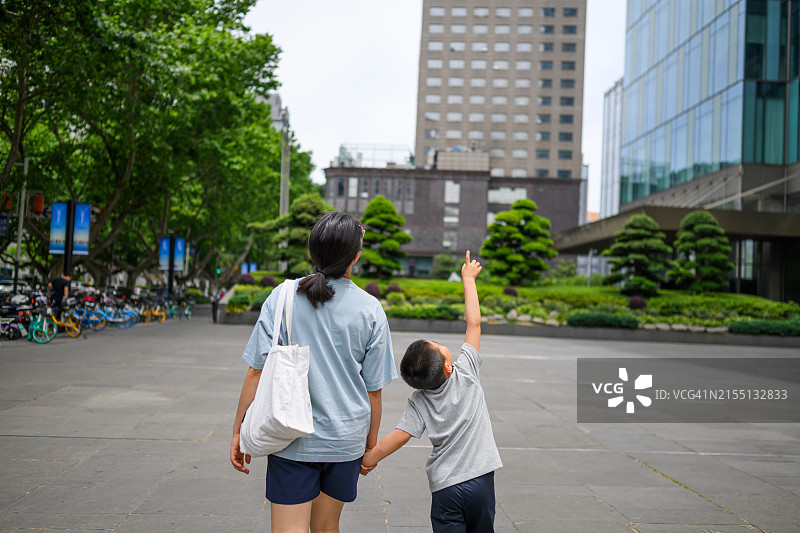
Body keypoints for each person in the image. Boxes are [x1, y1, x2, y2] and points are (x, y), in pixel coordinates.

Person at [230, 211, 397, 532]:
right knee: (326, 527)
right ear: (355, 256)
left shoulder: (282, 297)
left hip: (289, 436)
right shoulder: (371, 309)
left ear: (313, 251)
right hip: (345, 440)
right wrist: (370, 444)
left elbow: (256, 372)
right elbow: (373, 391)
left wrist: (238, 431)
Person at [361, 250, 502, 532]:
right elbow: (474, 323)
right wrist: (468, 280)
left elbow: (400, 435)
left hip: (445, 487)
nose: (441, 344)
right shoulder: (466, 372)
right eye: (439, 346)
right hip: (480, 482)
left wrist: (369, 459)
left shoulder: (419, 400)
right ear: (448, 367)